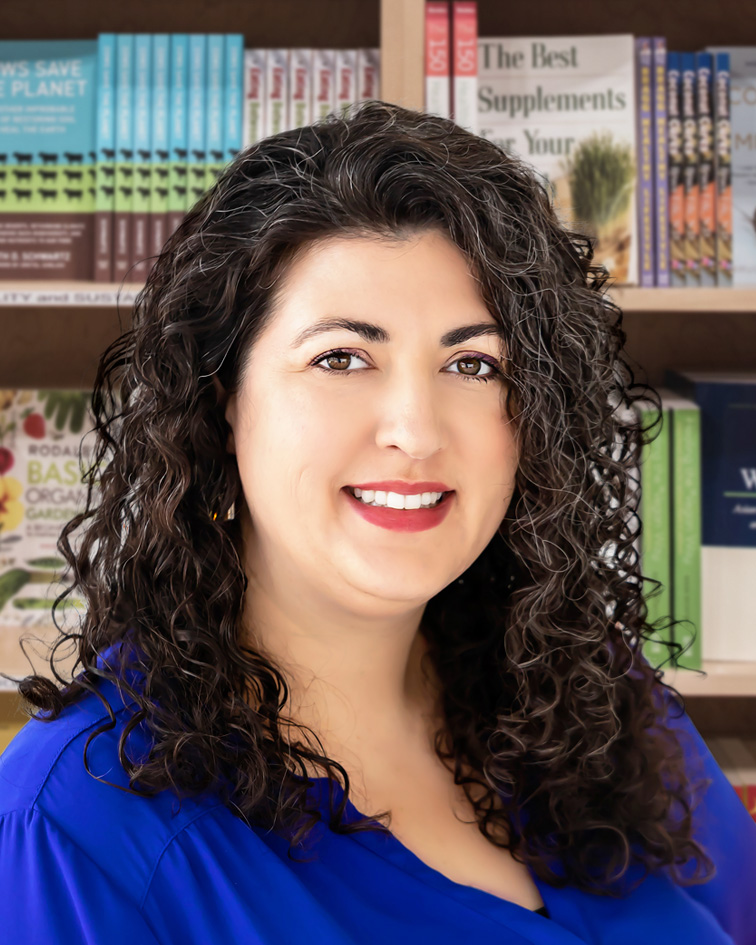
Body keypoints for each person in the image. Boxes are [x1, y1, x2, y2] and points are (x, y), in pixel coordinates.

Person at [0, 100, 754, 944]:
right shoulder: (75, 825)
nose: (416, 431)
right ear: (221, 405)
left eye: (472, 364)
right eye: (341, 357)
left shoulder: (595, 694)